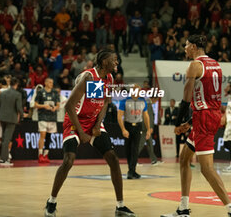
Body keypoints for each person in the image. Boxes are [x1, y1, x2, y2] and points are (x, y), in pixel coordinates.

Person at [44, 49, 136, 217]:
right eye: (114, 60)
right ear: (104, 62)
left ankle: (120, 206)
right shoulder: (88, 77)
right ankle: (51, 202)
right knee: (68, 161)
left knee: (113, 159)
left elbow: (106, 103)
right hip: (75, 121)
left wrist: (97, 125)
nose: (117, 63)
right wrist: (81, 132)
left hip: (93, 122)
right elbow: (69, 106)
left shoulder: (109, 78)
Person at [161, 35, 231, 217]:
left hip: (204, 118)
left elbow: (186, 98)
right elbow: (207, 99)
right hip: (208, 115)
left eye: (187, 45)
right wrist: (189, 123)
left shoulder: (195, 65)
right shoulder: (215, 64)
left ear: (195, 47)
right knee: (184, 159)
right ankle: (183, 208)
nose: (184, 48)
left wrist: (177, 122)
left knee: (206, 169)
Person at [117, 84, 150, 179]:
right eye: (137, 90)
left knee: (135, 149)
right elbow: (119, 116)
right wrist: (123, 129)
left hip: (138, 126)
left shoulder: (143, 101)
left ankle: (132, 171)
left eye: (140, 90)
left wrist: (148, 129)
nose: (139, 92)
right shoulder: (125, 101)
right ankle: (132, 170)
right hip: (128, 125)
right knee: (128, 149)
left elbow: (146, 115)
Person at [0, 77, 23, 166]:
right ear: (16, 85)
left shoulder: (2, 93)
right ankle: (5, 159)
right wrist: (22, 116)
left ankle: (2, 158)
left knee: (4, 138)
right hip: (11, 119)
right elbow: (19, 108)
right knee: (6, 139)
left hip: (2, 117)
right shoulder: (17, 94)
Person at [35, 78, 60, 163]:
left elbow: (58, 105)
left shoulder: (55, 92)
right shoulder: (40, 92)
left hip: (52, 117)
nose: (51, 84)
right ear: (45, 83)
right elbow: (35, 104)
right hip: (43, 116)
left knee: (49, 136)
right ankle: (40, 154)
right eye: (49, 82)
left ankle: (46, 155)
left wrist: (55, 108)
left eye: (52, 82)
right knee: (43, 135)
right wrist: (44, 106)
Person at [138, 97, 162, 166]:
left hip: (146, 128)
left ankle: (154, 160)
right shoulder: (148, 104)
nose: (156, 102)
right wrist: (150, 127)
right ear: (154, 98)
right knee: (140, 145)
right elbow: (149, 116)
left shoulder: (147, 103)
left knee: (150, 145)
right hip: (145, 128)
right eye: (156, 100)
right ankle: (133, 160)